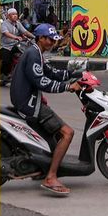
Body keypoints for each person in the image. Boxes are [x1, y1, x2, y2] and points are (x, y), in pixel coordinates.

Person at [10, 23, 83, 195]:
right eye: (49, 39)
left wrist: (75, 73)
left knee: (54, 134)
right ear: (41, 38)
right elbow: (41, 81)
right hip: (30, 104)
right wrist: (67, 87)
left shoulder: (37, 53)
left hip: (28, 100)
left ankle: (43, 166)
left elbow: (51, 72)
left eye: (53, 39)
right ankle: (50, 177)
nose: (52, 42)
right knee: (67, 133)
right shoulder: (34, 54)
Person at [0, 8, 34, 77]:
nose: (15, 16)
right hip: (6, 46)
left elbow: (25, 31)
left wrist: (34, 36)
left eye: (16, 14)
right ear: (8, 16)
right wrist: (15, 37)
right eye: (13, 14)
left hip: (15, 45)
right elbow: (6, 33)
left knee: (24, 53)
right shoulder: (4, 24)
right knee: (6, 60)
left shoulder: (18, 23)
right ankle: (4, 75)